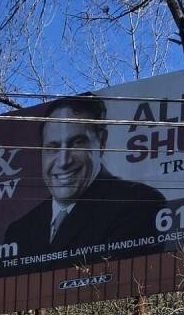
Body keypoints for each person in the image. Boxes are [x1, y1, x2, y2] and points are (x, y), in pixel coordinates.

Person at [11, 95, 163, 263]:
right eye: (52, 147)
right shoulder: (19, 231)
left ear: (102, 142)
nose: (63, 162)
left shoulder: (137, 203)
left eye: (76, 143)